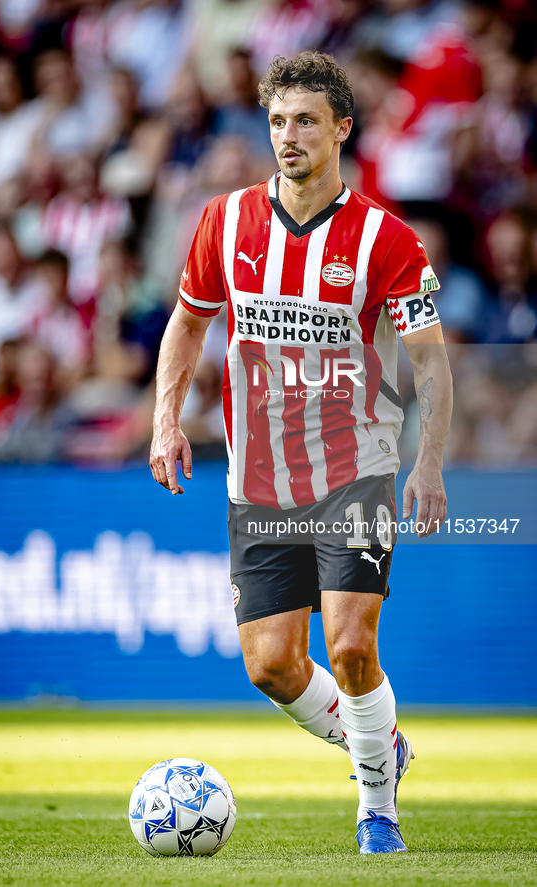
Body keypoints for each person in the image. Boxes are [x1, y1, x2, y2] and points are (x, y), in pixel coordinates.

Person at [150, 51, 453, 854]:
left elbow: (429, 360)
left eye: (306, 120)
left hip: (356, 467)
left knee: (351, 645)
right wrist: (164, 421)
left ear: (341, 129)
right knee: (272, 665)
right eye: (278, 120)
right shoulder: (225, 221)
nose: (288, 136)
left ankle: (376, 808)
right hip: (258, 480)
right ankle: (378, 744)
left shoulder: (387, 240)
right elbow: (187, 322)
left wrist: (427, 462)